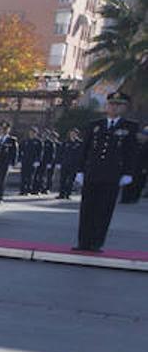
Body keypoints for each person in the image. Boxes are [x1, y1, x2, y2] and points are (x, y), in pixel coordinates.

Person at [74, 90, 140, 252]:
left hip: (113, 175)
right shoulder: (95, 125)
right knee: (87, 209)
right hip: (92, 172)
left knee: (104, 210)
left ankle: (96, 243)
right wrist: (80, 170)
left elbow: (132, 152)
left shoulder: (129, 127)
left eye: (118, 105)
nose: (114, 108)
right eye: (111, 104)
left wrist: (128, 173)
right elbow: (85, 149)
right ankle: (83, 242)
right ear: (106, 105)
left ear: (124, 108)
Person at [57, 128, 83, 199]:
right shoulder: (65, 142)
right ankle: (61, 194)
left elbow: (82, 155)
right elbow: (60, 153)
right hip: (65, 163)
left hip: (74, 165)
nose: (73, 134)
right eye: (71, 133)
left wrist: (80, 166)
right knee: (62, 180)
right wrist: (59, 162)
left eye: (74, 133)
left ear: (77, 134)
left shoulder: (80, 143)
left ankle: (68, 194)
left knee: (71, 180)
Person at [19, 127, 41, 194]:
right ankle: (22, 190)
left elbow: (40, 152)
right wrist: (19, 160)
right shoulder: (25, 141)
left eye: (33, 132)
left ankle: (28, 189)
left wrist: (37, 161)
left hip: (33, 161)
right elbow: (20, 150)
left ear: (36, 133)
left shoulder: (38, 142)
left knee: (30, 176)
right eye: (30, 132)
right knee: (23, 176)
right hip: (25, 160)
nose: (31, 134)